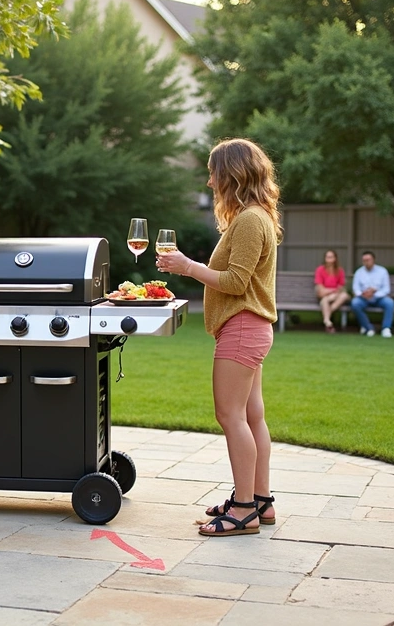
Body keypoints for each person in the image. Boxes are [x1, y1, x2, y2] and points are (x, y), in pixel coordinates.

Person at [156, 138, 281, 537]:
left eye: (213, 173)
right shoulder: (255, 215)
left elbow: (235, 281)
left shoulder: (248, 220)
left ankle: (244, 509)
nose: (210, 182)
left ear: (232, 175)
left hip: (243, 326)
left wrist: (187, 266)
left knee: (230, 416)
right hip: (250, 327)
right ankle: (259, 500)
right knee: (251, 416)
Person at [350, 251, 394, 337]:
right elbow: (355, 288)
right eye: (364, 260)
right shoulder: (359, 272)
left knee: (389, 303)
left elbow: (386, 289)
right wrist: (362, 294)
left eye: (368, 260)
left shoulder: (382, 271)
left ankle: (386, 328)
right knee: (355, 303)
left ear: (373, 260)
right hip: (364, 298)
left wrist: (374, 293)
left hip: (379, 298)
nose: (366, 262)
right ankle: (368, 328)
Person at [315, 250, 350, 333]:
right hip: (325, 296)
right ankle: (328, 322)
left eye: (331, 257)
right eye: (327, 257)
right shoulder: (320, 270)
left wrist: (334, 293)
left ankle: (327, 321)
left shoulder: (340, 270)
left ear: (335, 259)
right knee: (325, 300)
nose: (329, 259)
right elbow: (320, 289)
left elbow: (341, 287)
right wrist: (332, 292)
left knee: (344, 295)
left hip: (337, 296)